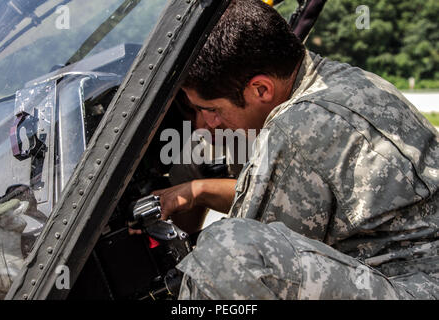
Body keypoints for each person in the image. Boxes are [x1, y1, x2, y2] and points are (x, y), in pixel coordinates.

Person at [155, 0, 439, 299]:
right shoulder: (350, 82)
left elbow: (252, 244)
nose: (205, 125)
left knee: (224, 254)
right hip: (414, 278)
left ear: (261, 89)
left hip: (415, 289)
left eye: (210, 109)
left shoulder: (298, 124)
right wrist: (198, 189)